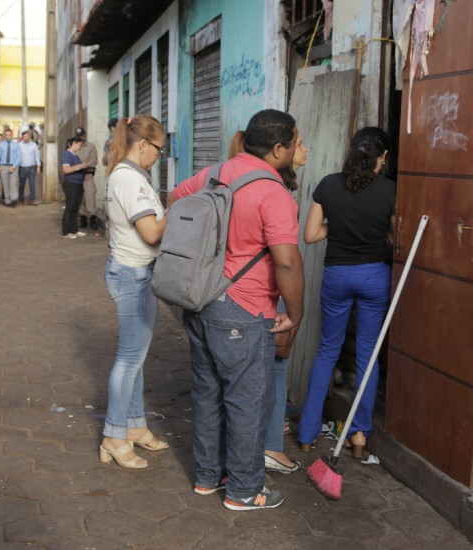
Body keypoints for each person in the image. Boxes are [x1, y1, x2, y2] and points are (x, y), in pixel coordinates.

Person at [170, 109, 304, 511]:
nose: (299, 148)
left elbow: (176, 201)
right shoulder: (273, 193)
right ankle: (245, 490)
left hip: (200, 302)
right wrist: (294, 315)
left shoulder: (214, 173)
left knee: (207, 393)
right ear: (278, 149)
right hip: (243, 310)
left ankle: (208, 477)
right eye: (296, 142)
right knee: (247, 401)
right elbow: (286, 262)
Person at [297, 127, 395, 458]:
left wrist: (336, 227)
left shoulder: (328, 184)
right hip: (374, 277)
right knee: (368, 356)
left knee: (328, 350)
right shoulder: (389, 190)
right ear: (381, 158)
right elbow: (396, 240)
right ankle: (358, 436)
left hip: (337, 276)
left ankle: (308, 433)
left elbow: (310, 234)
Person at [99, 115, 168, 469]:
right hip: (133, 275)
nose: (160, 155)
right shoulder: (129, 178)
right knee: (129, 359)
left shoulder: (127, 175)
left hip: (134, 272)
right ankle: (114, 435)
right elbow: (152, 233)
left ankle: (135, 426)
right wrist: (176, 210)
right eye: (158, 148)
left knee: (135, 357)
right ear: (142, 145)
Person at [60, 137, 88, 238]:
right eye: (79, 145)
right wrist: (80, 166)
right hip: (71, 183)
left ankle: (74, 229)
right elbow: (66, 169)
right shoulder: (67, 154)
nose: (80, 148)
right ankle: (66, 231)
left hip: (78, 184)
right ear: (74, 143)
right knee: (70, 207)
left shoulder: (75, 155)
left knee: (76, 207)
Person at [74, 126, 99, 229]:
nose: (80, 137)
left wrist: (84, 165)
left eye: (82, 135)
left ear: (85, 135)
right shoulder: (74, 146)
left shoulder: (91, 146)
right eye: (78, 136)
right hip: (76, 175)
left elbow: (94, 160)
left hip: (87, 174)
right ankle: (82, 217)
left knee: (90, 196)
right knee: (79, 198)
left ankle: (92, 217)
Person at [0, 128, 21, 207]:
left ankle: (13, 199)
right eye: (7, 135)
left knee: (13, 184)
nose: (8, 136)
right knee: (5, 184)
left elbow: (19, 157)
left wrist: (14, 166)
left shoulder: (16, 145)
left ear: (12, 136)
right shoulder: (1, 145)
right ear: (5, 136)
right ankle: (7, 201)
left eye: (10, 135)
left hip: (13, 166)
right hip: (3, 166)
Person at [18, 129, 42, 205]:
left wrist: (38, 166)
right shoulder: (19, 145)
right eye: (24, 137)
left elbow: (36, 156)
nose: (26, 138)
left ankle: (31, 200)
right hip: (22, 168)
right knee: (21, 184)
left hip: (32, 167)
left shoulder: (34, 145)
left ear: (29, 136)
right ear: (22, 138)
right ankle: (21, 200)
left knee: (32, 184)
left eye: (27, 136)